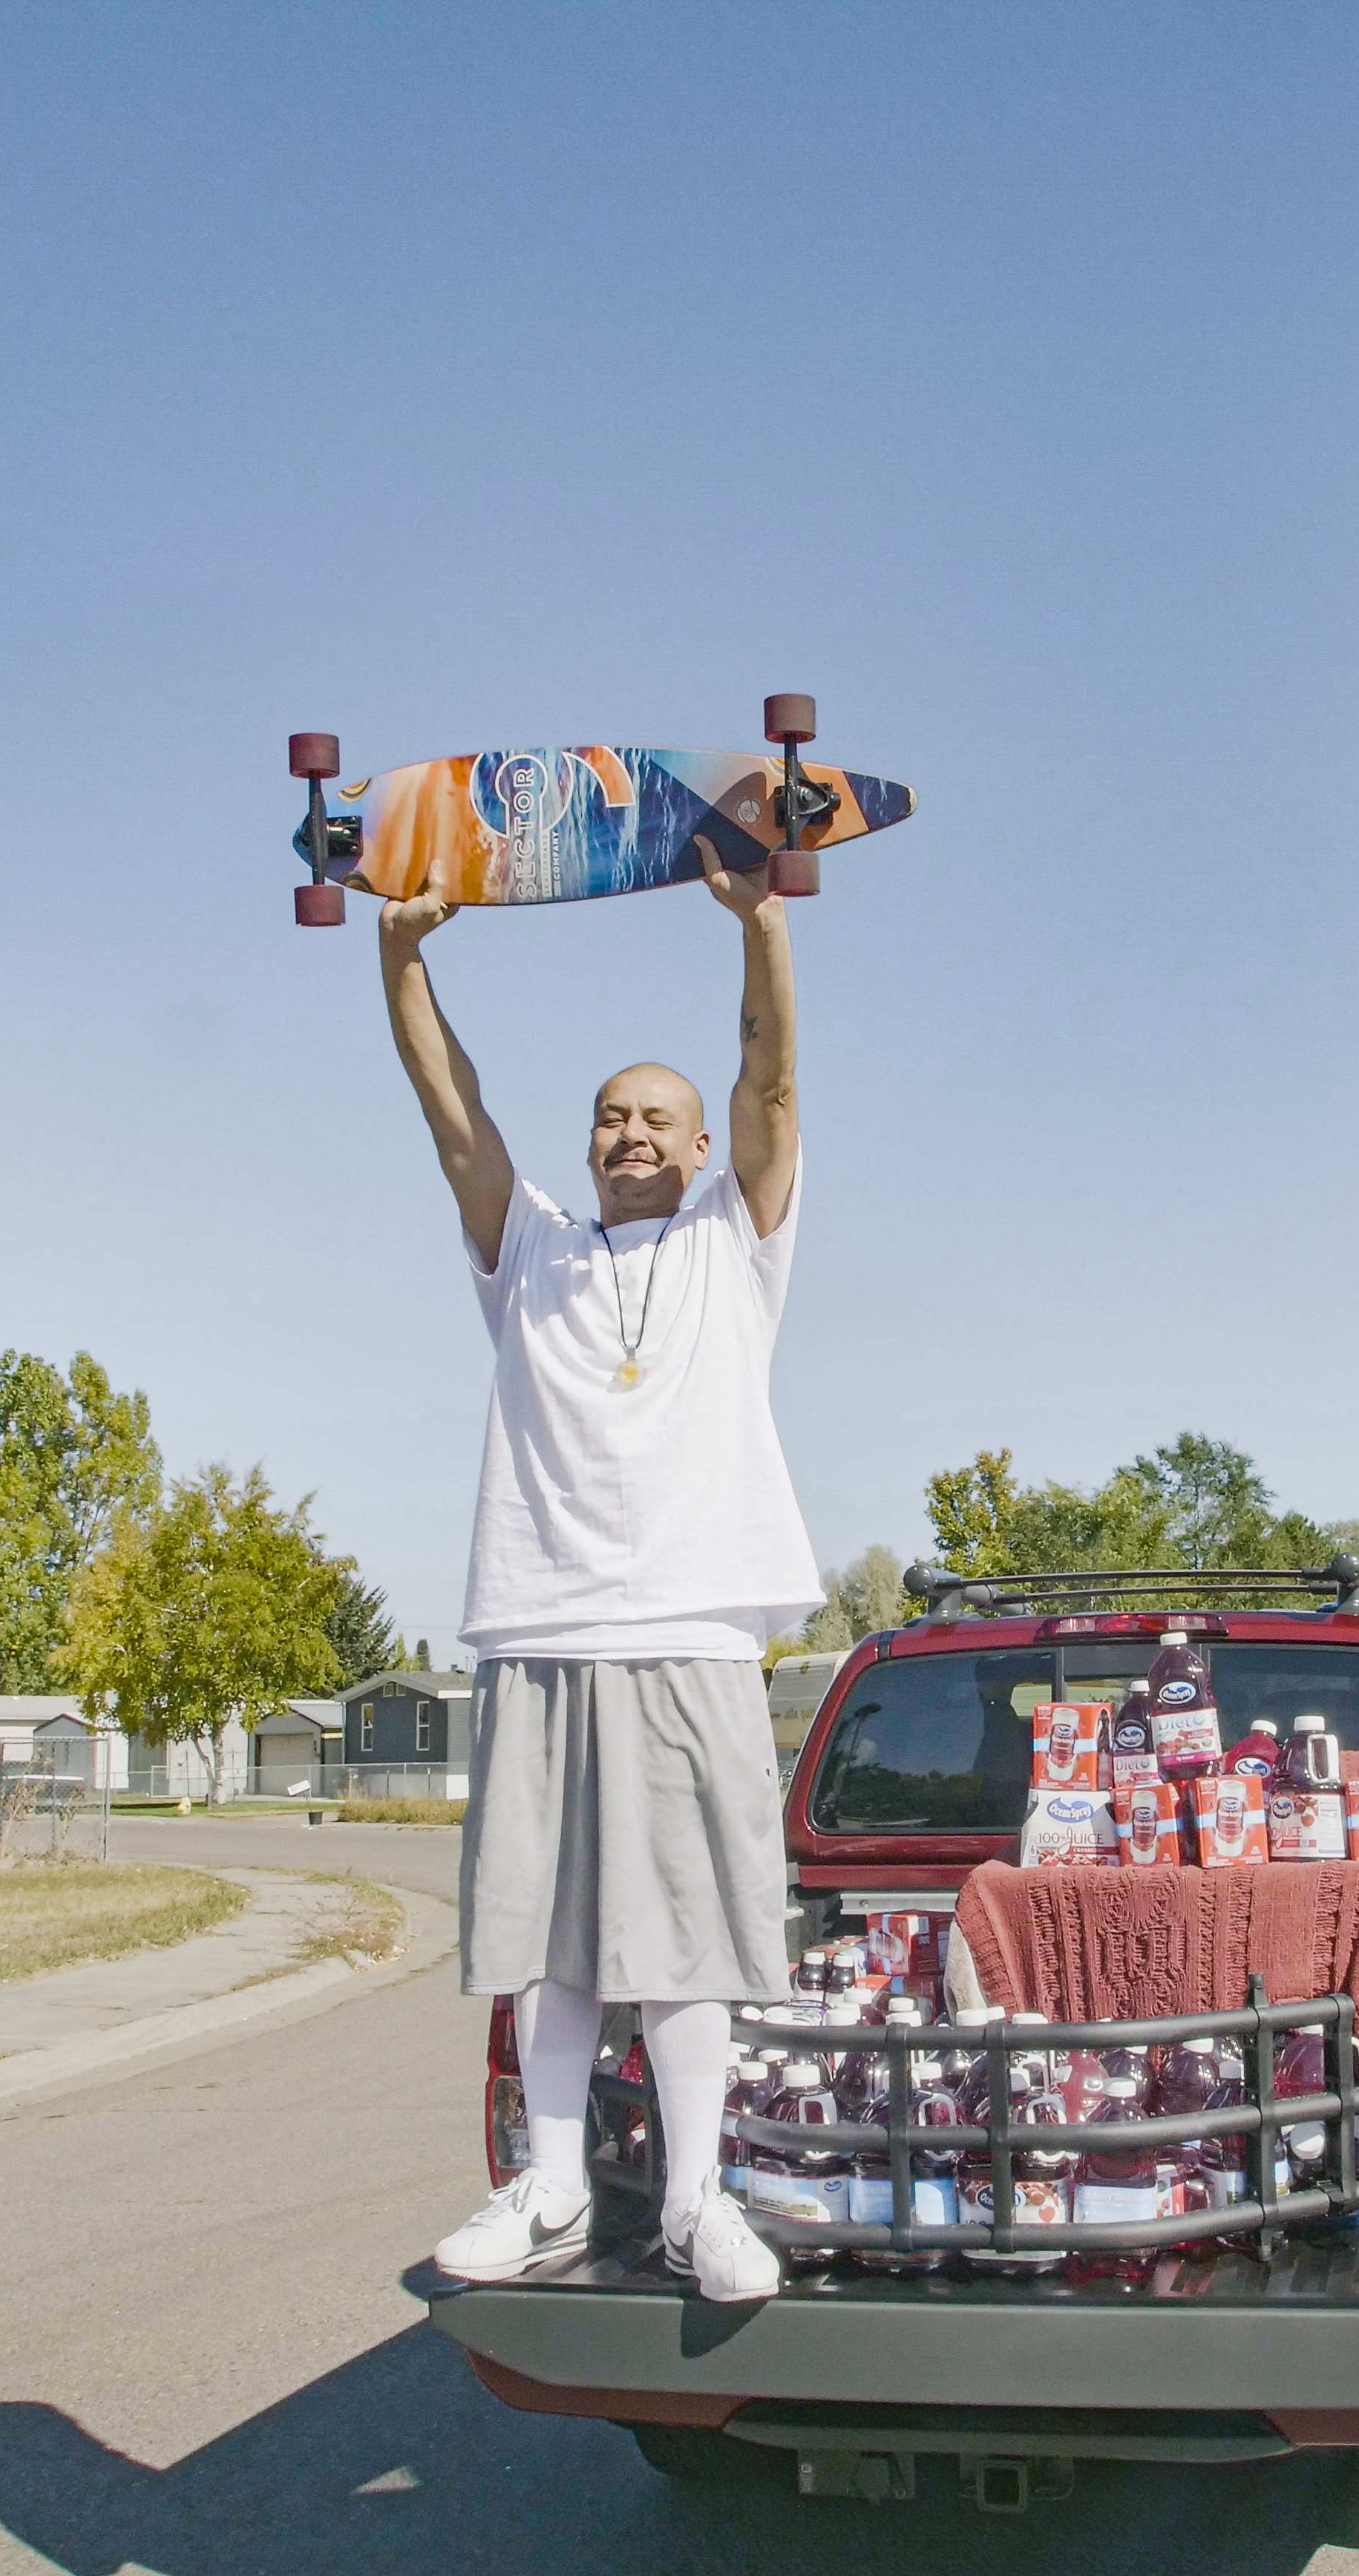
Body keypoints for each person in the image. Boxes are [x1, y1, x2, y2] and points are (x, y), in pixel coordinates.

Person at [390, 839, 819, 2304]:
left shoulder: (735, 1241)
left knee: (686, 1929)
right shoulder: (533, 1252)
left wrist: (758, 923)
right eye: (611, 1116)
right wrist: (401, 956)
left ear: (698, 1150)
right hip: (544, 1616)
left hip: (697, 1620)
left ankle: (700, 2198)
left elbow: (770, 1080)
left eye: (659, 1116)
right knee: (552, 1930)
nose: (634, 1131)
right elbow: (457, 1121)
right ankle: (555, 2182)